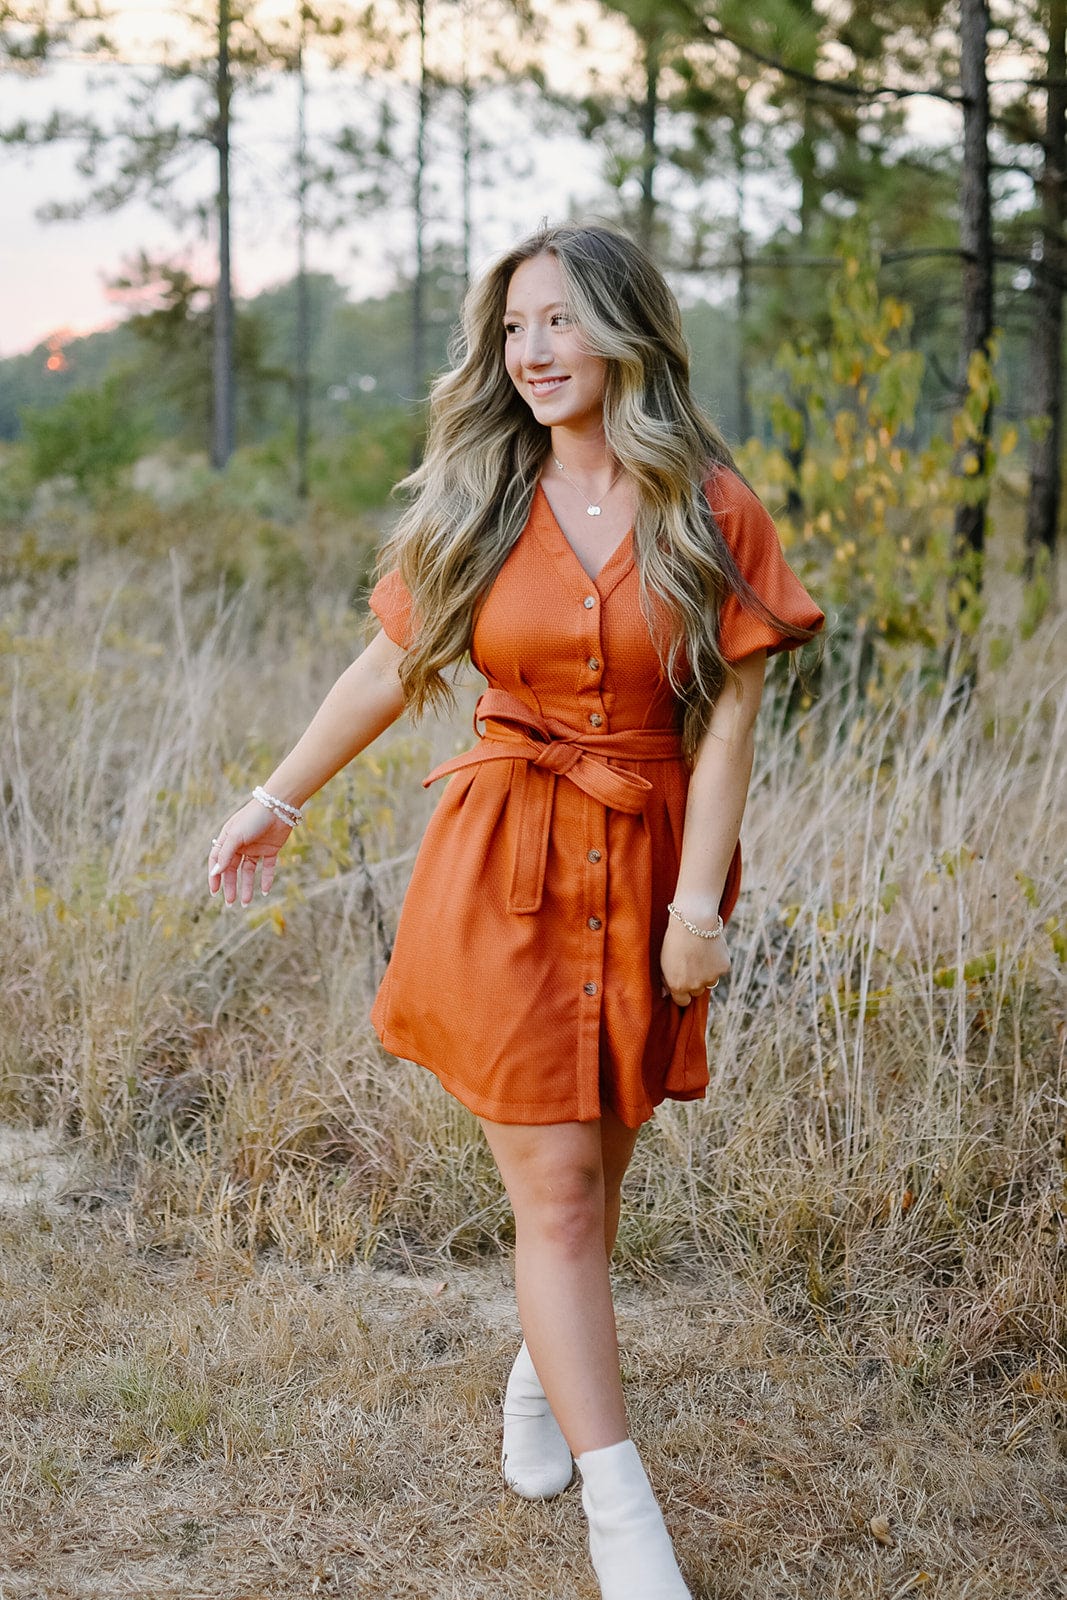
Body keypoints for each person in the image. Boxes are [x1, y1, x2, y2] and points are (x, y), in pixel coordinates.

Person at [208, 220, 823, 1600]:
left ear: (624, 331)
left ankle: (543, 1379)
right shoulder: (483, 495)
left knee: (598, 1184)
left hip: (650, 861)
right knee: (550, 1191)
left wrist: (701, 910)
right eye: (511, 329)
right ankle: (627, 1522)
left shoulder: (713, 508)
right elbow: (386, 668)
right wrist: (277, 798)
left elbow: (726, 727)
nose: (530, 353)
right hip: (501, 863)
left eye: (557, 323)